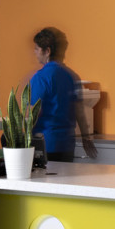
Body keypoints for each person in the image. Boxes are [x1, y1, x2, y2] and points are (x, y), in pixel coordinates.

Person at [27, 27, 96, 163]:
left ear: (47, 51)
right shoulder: (72, 76)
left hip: (45, 144)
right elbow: (79, 112)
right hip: (67, 144)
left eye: (37, 48)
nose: (35, 52)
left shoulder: (40, 77)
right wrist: (86, 137)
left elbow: (33, 113)